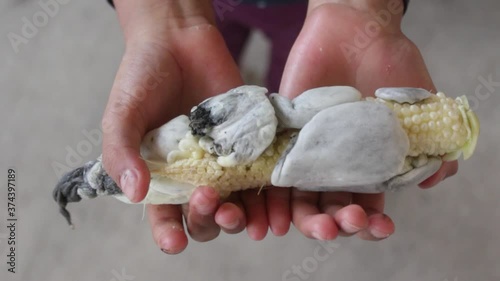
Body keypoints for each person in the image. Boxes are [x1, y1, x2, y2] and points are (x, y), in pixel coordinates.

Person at [101, 0, 458, 254]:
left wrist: (358, 9)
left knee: (288, 93)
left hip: (304, 10)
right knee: (221, 60)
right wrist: (167, 18)